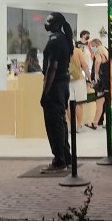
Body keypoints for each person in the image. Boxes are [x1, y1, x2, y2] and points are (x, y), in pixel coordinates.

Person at [40, 12, 74, 172]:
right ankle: (66, 157)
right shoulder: (64, 39)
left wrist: (45, 92)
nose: (45, 23)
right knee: (61, 122)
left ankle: (59, 160)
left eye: (48, 20)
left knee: (54, 124)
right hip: (63, 84)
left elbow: (52, 68)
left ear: (56, 24)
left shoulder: (54, 40)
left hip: (55, 86)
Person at [68, 37, 92, 132]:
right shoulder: (77, 51)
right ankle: (79, 126)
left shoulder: (61, 51)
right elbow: (84, 65)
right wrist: (89, 78)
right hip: (78, 79)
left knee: (69, 104)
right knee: (79, 103)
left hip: (67, 80)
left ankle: (72, 126)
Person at [86, 40, 110, 129]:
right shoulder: (105, 51)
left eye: (92, 46)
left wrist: (96, 74)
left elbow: (98, 61)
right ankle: (101, 122)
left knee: (99, 103)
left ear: (95, 45)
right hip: (107, 80)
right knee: (105, 103)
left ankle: (95, 123)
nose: (91, 48)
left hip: (102, 82)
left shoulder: (98, 50)